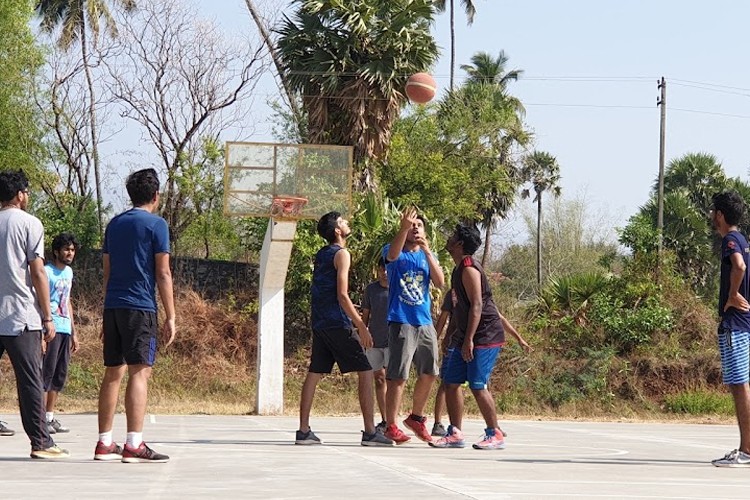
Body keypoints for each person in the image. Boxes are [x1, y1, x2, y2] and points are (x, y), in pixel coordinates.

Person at [95, 168, 176, 463]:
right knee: (140, 372)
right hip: (140, 307)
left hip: (114, 306)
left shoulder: (114, 224)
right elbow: (163, 272)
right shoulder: (157, 225)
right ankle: (133, 444)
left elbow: (107, 271)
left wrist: (106, 310)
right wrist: (171, 316)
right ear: (156, 195)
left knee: (113, 372)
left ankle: (104, 443)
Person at [296, 212, 393, 447]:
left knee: (315, 372)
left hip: (320, 322)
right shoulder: (342, 254)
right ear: (337, 230)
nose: (347, 223)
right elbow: (342, 294)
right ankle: (370, 432)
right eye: (343, 221)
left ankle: (303, 430)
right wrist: (360, 325)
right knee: (367, 370)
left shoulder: (322, 254)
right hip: (337, 322)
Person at [431, 223, 530, 449]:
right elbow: (460, 308)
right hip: (466, 334)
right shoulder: (457, 269)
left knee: (477, 385)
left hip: (485, 334)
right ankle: (455, 433)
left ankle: (494, 434)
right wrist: (454, 336)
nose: (449, 238)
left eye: (453, 236)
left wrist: (469, 340)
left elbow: (476, 306)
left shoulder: (469, 268)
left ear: (460, 243)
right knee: (451, 381)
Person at [0, 169, 70, 459]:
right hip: (19, 315)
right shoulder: (29, 223)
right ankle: (41, 442)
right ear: (19, 195)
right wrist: (48, 315)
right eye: (26, 191)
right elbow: (38, 270)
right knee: (30, 379)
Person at [382, 207, 445, 444]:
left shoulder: (427, 255)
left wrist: (428, 250)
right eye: (412, 225)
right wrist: (403, 228)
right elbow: (391, 257)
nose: (415, 228)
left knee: (430, 372)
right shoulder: (393, 250)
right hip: (401, 319)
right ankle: (391, 425)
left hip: (425, 321)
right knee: (398, 376)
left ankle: (416, 417)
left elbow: (439, 282)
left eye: (419, 225)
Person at [709, 191, 750, 467]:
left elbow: (739, 266)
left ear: (720, 215)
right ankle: (744, 448)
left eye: (713, 212)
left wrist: (733, 295)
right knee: (741, 384)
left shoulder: (730, 241)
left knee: (739, 385)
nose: (712, 216)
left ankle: (746, 451)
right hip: (742, 324)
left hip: (735, 324)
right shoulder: (743, 239)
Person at [43, 232, 80, 435]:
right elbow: (40, 300)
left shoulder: (69, 273)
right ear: (57, 251)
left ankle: (50, 416)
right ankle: (40, 418)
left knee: (59, 374)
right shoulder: (46, 272)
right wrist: (43, 329)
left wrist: (74, 331)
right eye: (66, 249)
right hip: (51, 329)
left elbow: (68, 301)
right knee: (45, 373)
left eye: (72, 250)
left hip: (65, 328)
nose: (70, 253)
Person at [361, 257, 390, 432]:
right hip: (375, 341)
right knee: (379, 378)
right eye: (382, 269)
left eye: (388, 269)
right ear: (378, 270)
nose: (385, 273)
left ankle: (392, 420)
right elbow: (365, 315)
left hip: (395, 341)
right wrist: (363, 334)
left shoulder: (399, 289)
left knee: (393, 380)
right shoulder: (371, 290)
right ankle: (385, 419)